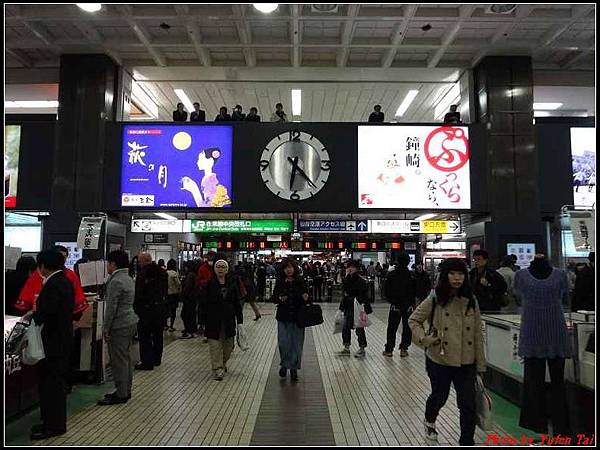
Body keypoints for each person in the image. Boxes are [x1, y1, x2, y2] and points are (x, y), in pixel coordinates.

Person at [408, 258, 486, 446]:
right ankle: (430, 420)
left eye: (461, 274)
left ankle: (466, 440)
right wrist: (424, 340)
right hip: (439, 358)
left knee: (467, 403)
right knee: (439, 396)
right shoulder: (435, 298)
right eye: (452, 273)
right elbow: (414, 320)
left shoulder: (471, 300)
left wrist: (481, 364)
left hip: (467, 360)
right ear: (445, 276)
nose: (457, 278)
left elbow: (477, 334)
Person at [513, 255, 572, 436]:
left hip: (555, 331)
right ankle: (538, 426)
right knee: (532, 383)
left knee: (557, 383)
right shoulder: (521, 275)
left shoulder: (561, 275)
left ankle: (561, 427)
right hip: (532, 332)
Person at [23, 250, 75, 440]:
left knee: (51, 386)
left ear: (43, 266)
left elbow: (49, 313)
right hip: (61, 341)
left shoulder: (54, 284)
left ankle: (53, 426)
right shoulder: (64, 281)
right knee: (53, 385)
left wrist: (34, 314)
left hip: (53, 343)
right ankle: (50, 422)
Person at [98, 250, 138, 406]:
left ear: (113, 264)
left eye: (108, 263)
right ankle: (125, 390)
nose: (107, 266)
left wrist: (106, 328)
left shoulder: (115, 281)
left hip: (119, 325)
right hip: (130, 321)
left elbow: (111, 308)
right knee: (126, 359)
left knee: (118, 360)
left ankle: (121, 393)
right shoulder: (128, 278)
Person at [16, 245, 88, 318]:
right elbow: (26, 296)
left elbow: (77, 299)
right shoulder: (37, 274)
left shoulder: (70, 275)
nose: (62, 259)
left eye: (64, 256)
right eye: (59, 256)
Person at [204, 256, 244, 381]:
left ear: (227, 269)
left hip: (228, 321)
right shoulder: (209, 284)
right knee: (215, 346)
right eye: (218, 267)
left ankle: (222, 362)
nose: (220, 269)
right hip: (213, 320)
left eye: (223, 267)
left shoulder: (232, 284)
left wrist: (240, 321)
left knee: (228, 347)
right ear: (214, 269)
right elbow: (203, 303)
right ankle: (218, 369)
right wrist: (201, 321)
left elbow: (237, 303)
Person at [272, 257, 310, 381]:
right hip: (283, 317)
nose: (288, 270)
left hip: (298, 318)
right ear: (283, 270)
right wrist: (279, 299)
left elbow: (309, 298)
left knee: (296, 344)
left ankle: (293, 368)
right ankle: (284, 364)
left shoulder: (301, 281)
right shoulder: (280, 282)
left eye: (291, 267)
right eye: (286, 267)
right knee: (284, 343)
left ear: (294, 268)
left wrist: (306, 298)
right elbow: (274, 298)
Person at [133, 253, 167, 370]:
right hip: (160, 309)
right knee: (158, 335)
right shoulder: (162, 272)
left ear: (144, 261)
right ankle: (157, 359)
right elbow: (165, 291)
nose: (138, 263)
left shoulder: (142, 274)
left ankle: (147, 362)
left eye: (139, 261)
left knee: (145, 337)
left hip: (146, 311)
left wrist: (136, 309)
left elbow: (139, 294)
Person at [383, 253, 416, 358]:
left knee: (392, 327)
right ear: (408, 262)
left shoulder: (392, 274)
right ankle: (404, 349)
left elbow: (386, 290)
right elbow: (414, 291)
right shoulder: (411, 275)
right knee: (407, 327)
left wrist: (392, 301)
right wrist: (412, 303)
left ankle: (389, 350)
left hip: (395, 305)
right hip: (408, 306)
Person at [338, 260, 372, 358]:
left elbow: (363, 295)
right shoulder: (347, 279)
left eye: (352, 267)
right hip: (348, 306)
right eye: (348, 267)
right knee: (345, 327)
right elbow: (345, 292)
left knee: (359, 328)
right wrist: (341, 308)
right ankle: (346, 347)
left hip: (357, 307)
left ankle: (362, 348)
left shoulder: (361, 281)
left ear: (356, 268)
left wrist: (364, 306)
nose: (350, 269)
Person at [196, 251, 217, 342]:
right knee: (205, 312)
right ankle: (206, 332)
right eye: (210, 257)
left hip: (215, 294)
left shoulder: (217, 267)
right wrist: (206, 282)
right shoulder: (202, 268)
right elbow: (199, 281)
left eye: (212, 257)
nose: (211, 259)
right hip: (204, 294)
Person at [180, 260, 200, 339]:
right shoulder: (194, 274)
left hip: (189, 298)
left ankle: (189, 331)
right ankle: (192, 330)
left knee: (186, 314)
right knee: (191, 315)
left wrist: (183, 294)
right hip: (193, 298)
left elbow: (187, 288)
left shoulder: (190, 275)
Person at [166, 259, 181, 332]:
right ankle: (171, 326)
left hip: (166, 294)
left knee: (166, 310)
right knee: (173, 310)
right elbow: (178, 284)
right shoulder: (174, 273)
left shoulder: (165, 273)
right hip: (174, 294)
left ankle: (165, 325)